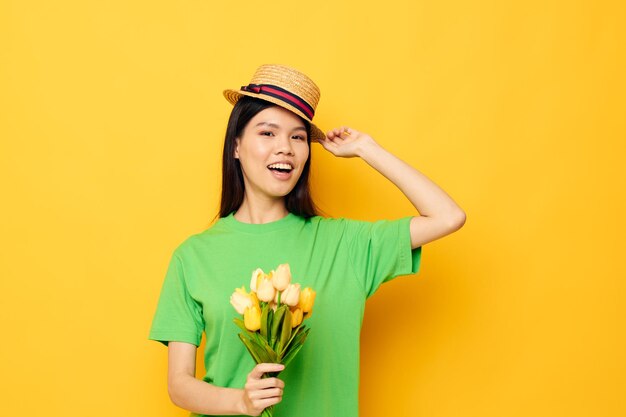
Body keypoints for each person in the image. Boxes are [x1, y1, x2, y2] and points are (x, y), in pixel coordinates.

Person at [148, 64, 466, 417]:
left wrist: (366, 148)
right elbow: (179, 384)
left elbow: (447, 216)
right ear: (236, 146)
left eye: (298, 137)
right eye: (268, 133)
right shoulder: (193, 256)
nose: (285, 148)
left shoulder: (345, 244)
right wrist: (239, 401)